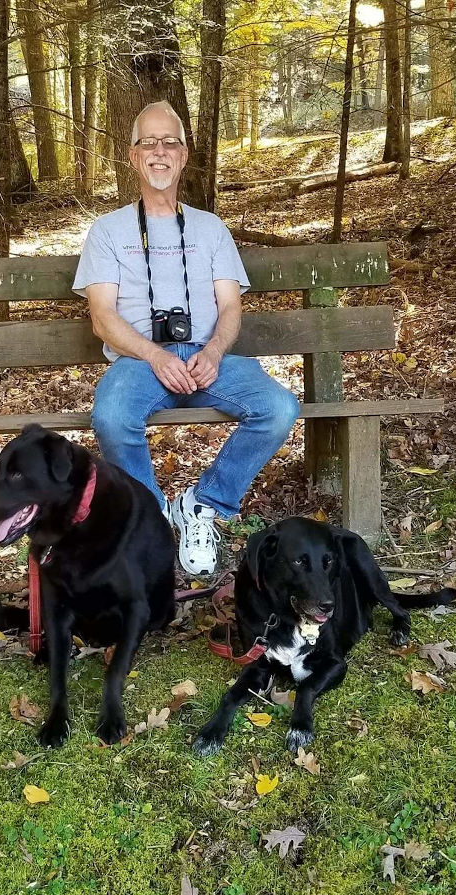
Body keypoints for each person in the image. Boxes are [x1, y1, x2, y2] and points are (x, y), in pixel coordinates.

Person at [72, 100, 299, 577]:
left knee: (280, 408)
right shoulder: (108, 231)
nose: (160, 152)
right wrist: (155, 356)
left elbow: (231, 306)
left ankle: (203, 503)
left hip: (204, 359)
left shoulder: (210, 228)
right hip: (138, 362)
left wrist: (214, 352)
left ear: (184, 154)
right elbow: (102, 317)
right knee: (111, 417)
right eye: (148, 143)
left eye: (169, 142)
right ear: (133, 157)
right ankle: (151, 516)